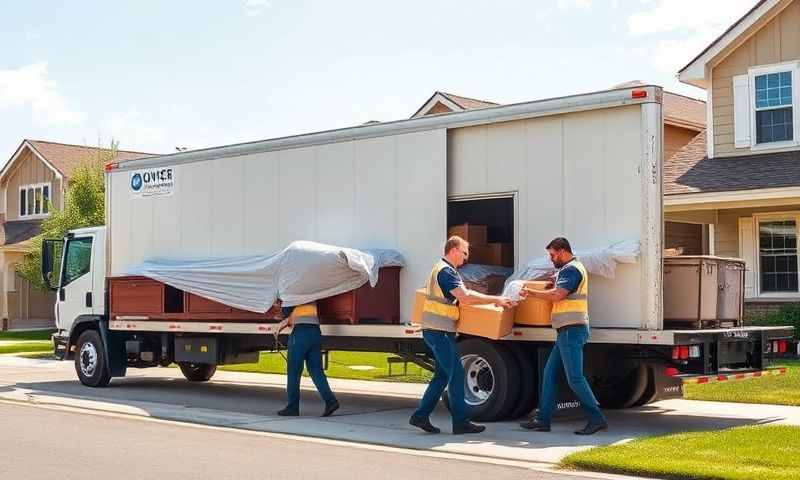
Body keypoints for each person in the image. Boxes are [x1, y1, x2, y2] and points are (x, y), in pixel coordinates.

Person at [409, 235, 516, 435]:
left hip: (438, 330)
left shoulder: (441, 269)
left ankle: (421, 416)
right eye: (465, 253)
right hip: (439, 331)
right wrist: (497, 300)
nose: (466, 258)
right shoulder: (446, 271)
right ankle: (460, 422)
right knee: (457, 374)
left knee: (442, 375)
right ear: (454, 249)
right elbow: (465, 298)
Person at [519, 237, 608, 435]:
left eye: (552, 255)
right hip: (565, 332)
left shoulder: (571, 270)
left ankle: (597, 419)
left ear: (561, 251)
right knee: (550, 375)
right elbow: (559, 290)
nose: (551, 259)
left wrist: (531, 293)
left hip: (571, 330)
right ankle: (543, 420)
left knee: (575, 378)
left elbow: (558, 295)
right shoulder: (567, 270)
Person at [276, 301, 340, 417]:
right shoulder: (311, 293)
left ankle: (292, 407)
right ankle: (331, 401)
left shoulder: (294, 294)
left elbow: (286, 312)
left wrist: (280, 304)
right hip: (315, 331)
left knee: (294, 372)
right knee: (316, 371)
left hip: (300, 332)